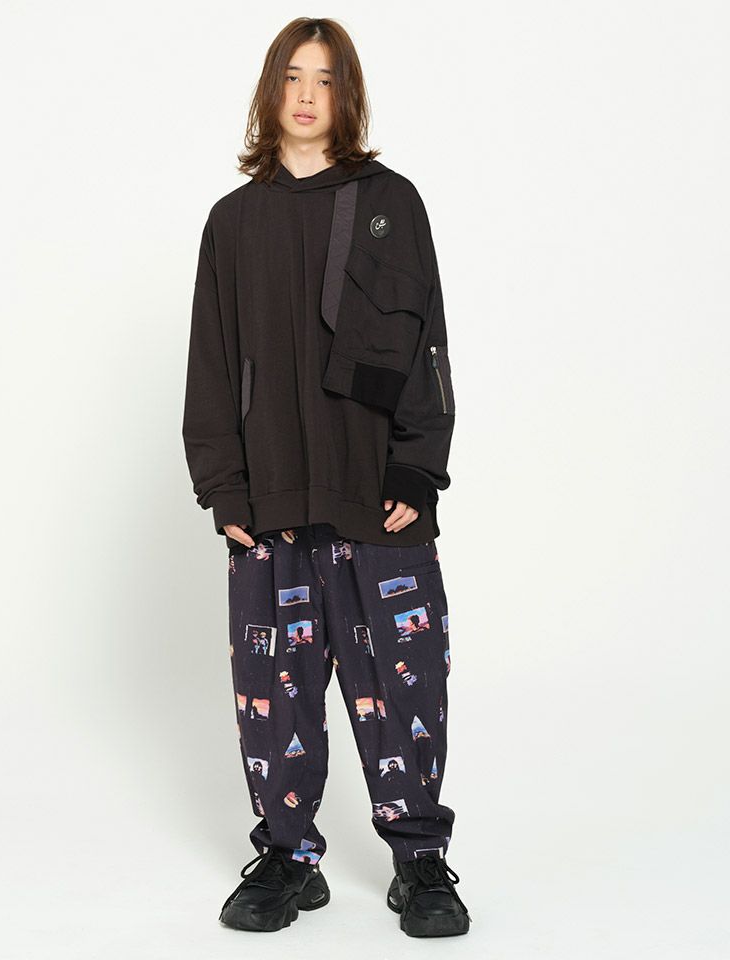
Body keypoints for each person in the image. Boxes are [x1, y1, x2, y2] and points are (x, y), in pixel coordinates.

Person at [182, 17, 471, 939]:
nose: (308, 96)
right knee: (275, 692)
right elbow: (211, 363)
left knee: (406, 685)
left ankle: (419, 861)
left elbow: (425, 346)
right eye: (293, 77)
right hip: (271, 497)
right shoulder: (233, 222)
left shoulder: (392, 203)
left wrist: (418, 468)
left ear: (348, 95)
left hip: (373, 494)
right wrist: (224, 486)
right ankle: (286, 857)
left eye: (327, 79)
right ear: (271, 90)